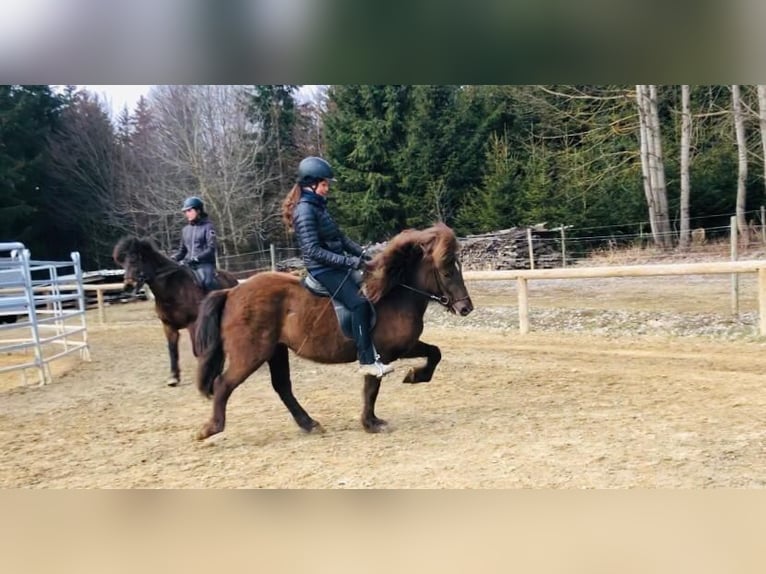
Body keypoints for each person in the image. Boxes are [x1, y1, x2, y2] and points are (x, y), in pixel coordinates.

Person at [281, 156, 394, 378]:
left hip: (335, 264)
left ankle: (375, 344)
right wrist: (348, 261)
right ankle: (367, 361)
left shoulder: (319, 208)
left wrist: (363, 255)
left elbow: (340, 238)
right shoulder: (304, 212)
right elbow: (313, 251)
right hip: (323, 270)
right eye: (324, 184)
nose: (327, 188)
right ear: (310, 185)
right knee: (359, 305)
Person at [172, 196, 220, 292]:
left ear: (198, 210)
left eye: (189, 210)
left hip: (205, 264)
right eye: (185, 212)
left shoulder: (208, 227)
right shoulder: (185, 230)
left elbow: (211, 249)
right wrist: (173, 258)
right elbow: (182, 251)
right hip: (189, 264)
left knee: (208, 283)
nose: (187, 214)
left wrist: (197, 258)